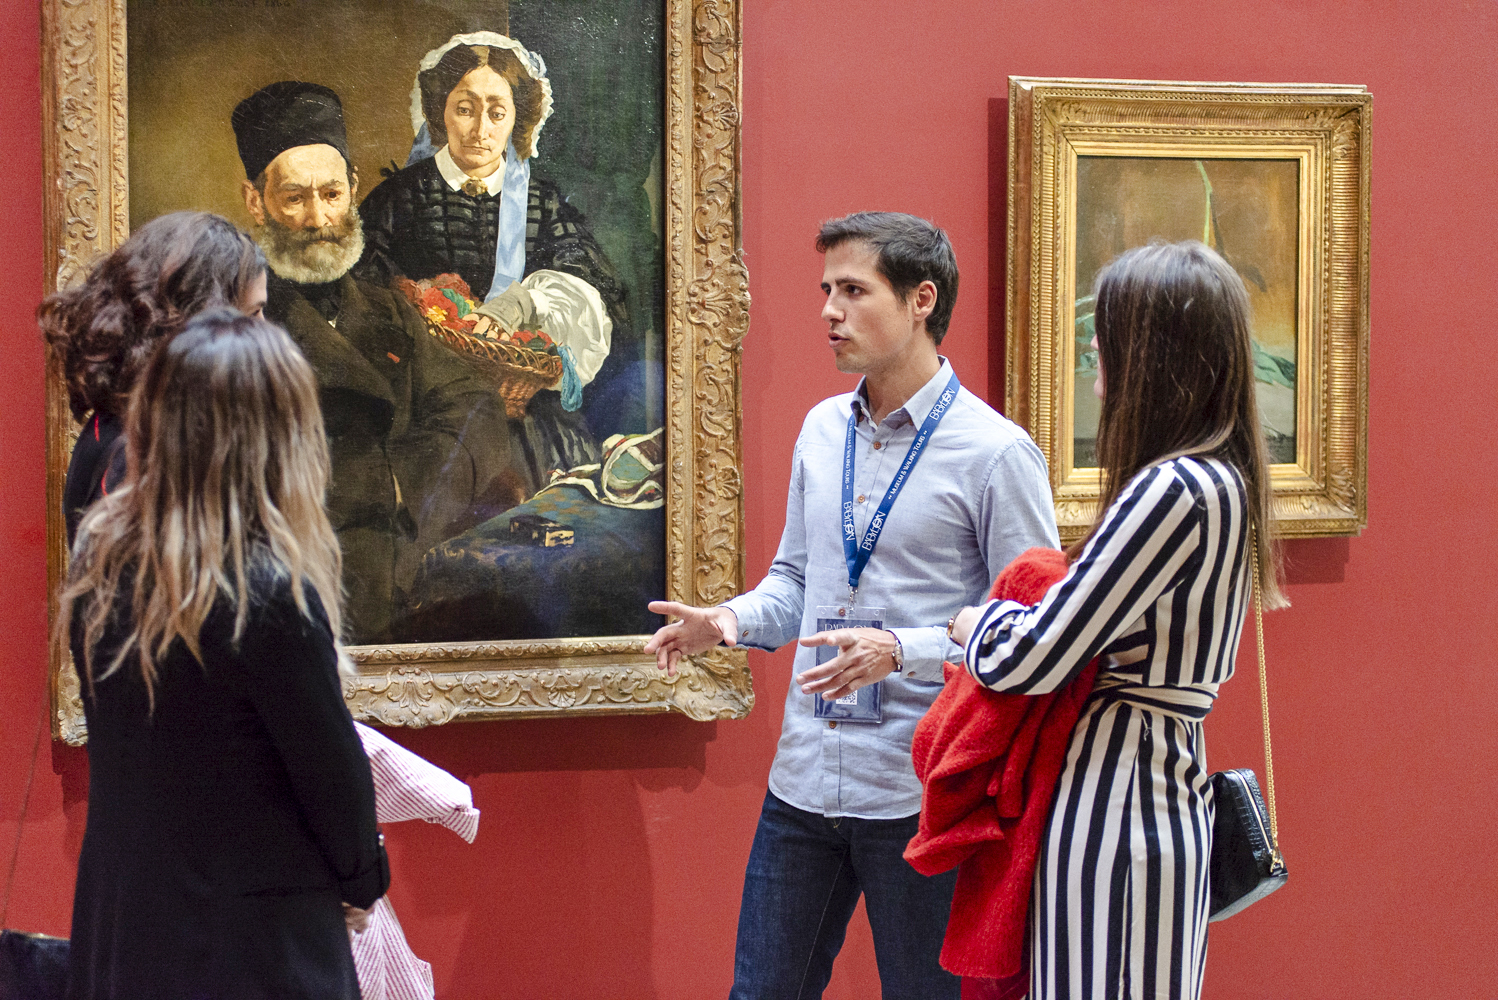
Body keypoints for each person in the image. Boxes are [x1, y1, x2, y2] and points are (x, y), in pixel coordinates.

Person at [645, 212, 1059, 999]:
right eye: (825, 290)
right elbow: (796, 582)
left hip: (922, 794)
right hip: (803, 788)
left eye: (852, 290)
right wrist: (726, 622)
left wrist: (901, 648)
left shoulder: (997, 452)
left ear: (921, 301)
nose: (827, 311)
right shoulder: (820, 430)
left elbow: (1034, 632)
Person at [949, 240, 1287, 1000]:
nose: (1094, 352)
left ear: (1153, 353)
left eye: (1108, 334)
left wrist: (975, 627)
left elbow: (1030, 657)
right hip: (1162, 790)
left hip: (1116, 806)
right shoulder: (1223, 480)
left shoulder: (1172, 486)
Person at [57, 310, 390, 1000]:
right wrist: (363, 879)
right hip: (251, 943)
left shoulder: (101, 556)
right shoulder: (265, 593)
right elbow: (331, 776)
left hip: (126, 918)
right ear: (280, 436)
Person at [231, 80, 515, 642]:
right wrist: (371, 485)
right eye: (295, 198)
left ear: (353, 189)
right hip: (302, 609)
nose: (318, 218)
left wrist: (402, 483)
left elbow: (477, 411)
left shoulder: (388, 308)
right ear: (254, 202)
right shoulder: (233, 321)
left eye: (332, 194)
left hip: (415, 586)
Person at [357, 31, 627, 496]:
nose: (480, 129)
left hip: (528, 414)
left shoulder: (543, 202)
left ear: (516, 118)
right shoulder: (397, 197)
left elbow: (593, 287)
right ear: (439, 111)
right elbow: (364, 293)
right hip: (425, 405)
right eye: (465, 108)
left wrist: (523, 305)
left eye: (496, 113)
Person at [37, 211, 267, 546]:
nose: (264, 329)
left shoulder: (144, 428)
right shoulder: (134, 452)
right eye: (252, 313)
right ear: (194, 320)